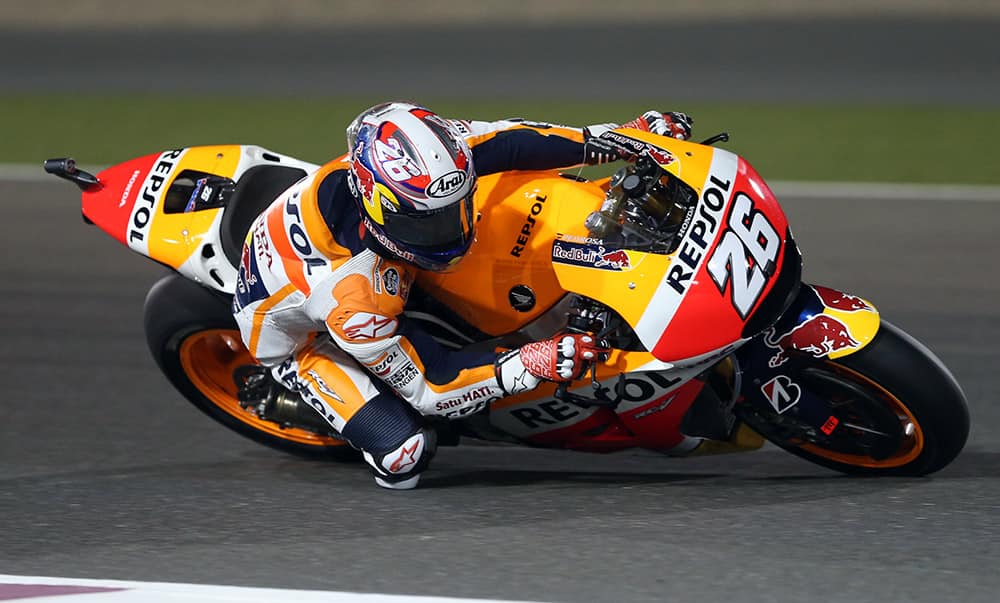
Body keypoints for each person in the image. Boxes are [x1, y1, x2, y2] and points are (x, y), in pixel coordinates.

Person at [232, 102, 693, 489]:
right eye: (429, 224)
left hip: (356, 262)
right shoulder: (355, 299)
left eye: (455, 209)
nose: (452, 231)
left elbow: (511, 141)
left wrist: (616, 139)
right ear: (379, 208)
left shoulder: (426, 159)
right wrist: (528, 363)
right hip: (305, 340)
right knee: (404, 457)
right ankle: (304, 398)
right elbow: (429, 385)